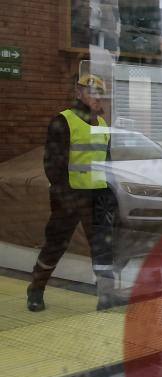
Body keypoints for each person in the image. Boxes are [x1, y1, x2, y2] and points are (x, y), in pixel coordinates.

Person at [27, 74, 119, 312]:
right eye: (91, 92)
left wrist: (110, 192)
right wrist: (64, 195)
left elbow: (106, 162)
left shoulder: (103, 124)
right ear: (78, 94)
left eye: (100, 94)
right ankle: (36, 290)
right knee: (56, 244)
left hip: (97, 197)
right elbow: (53, 164)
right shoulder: (63, 121)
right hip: (69, 196)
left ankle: (106, 295)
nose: (97, 98)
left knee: (102, 247)